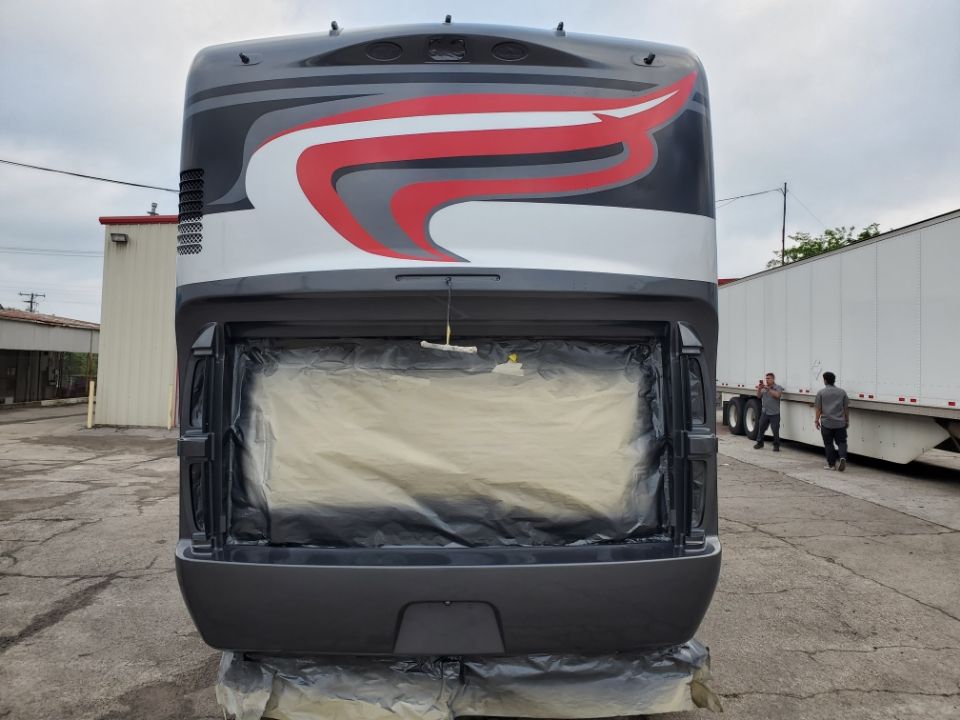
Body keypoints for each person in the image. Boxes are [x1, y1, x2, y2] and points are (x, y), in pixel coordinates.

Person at [815, 371, 849, 471]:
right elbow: (846, 407)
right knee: (842, 442)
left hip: (826, 423)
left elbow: (818, 408)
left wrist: (816, 420)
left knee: (828, 444)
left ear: (825, 380)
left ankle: (832, 465)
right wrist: (846, 419)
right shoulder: (842, 392)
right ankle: (842, 457)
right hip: (840, 423)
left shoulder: (821, 392)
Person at [753, 372, 783, 451]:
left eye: (769, 378)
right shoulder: (764, 388)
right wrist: (759, 389)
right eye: (766, 378)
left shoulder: (778, 387)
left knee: (775, 430)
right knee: (761, 428)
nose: (767, 380)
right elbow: (758, 396)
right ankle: (759, 443)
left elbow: (777, 395)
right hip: (765, 412)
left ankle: (776, 445)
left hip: (774, 413)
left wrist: (768, 389)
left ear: (773, 379)